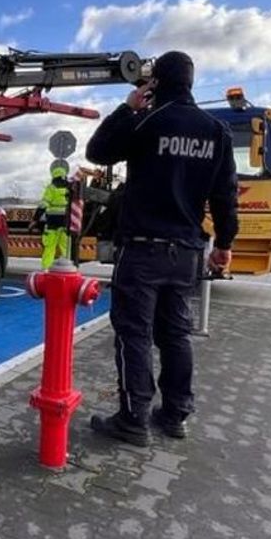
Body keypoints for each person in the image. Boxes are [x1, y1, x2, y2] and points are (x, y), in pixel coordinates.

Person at [84, 51, 238, 445]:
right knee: (175, 335)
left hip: (142, 249)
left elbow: (97, 152)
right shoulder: (216, 131)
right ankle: (175, 415)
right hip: (187, 251)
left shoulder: (148, 122)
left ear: (157, 82)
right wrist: (224, 244)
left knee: (133, 334)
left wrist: (127, 107)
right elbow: (225, 196)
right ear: (190, 81)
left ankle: (134, 419)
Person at [32, 162, 70, 269]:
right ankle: (67, 269)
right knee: (65, 247)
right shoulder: (70, 188)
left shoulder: (51, 188)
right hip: (66, 222)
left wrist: (35, 219)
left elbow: (43, 205)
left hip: (52, 223)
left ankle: (46, 269)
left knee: (50, 247)